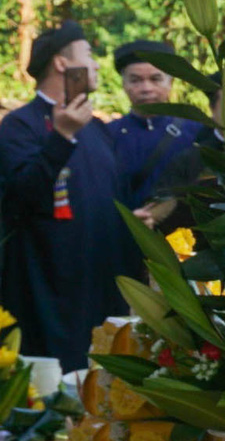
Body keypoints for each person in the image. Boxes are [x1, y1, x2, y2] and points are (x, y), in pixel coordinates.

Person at [0, 23, 129, 368]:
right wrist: (61, 137)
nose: (97, 65)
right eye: (89, 55)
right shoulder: (20, 125)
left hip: (101, 287)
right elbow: (21, 196)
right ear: (61, 63)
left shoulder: (98, 128)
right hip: (48, 291)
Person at [105, 39, 199, 211]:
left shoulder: (195, 132)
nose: (146, 88)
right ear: (123, 84)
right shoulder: (107, 135)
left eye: (156, 79)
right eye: (135, 80)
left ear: (170, 83)